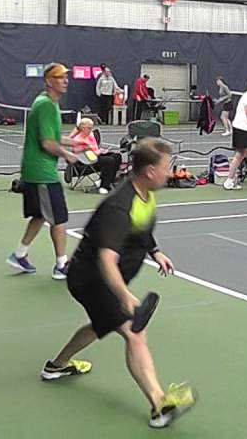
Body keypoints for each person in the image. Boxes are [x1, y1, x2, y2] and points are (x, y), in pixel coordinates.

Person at [40, 138, 198, 429]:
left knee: (100, 325)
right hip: (92, 280)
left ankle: (56, 366)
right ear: (150, 171)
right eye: (166, 167)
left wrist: (155, 251)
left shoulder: (144, 195)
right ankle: (159, 404)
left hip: (104, 280)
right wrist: (124, 295)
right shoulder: (119, 206)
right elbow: (106, 260)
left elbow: (141, 227)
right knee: (134, 334)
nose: (169, 172)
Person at [8, 63, 79, 279]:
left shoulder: (46, 102)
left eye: (66, 77)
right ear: (49, 81)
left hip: (35, 171)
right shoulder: (46, 105)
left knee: (40, 215)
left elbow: (53, 137)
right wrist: (67, 155)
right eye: (60, 77)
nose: (65, 80)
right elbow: (47, 143)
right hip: (42, 174)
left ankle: (19, 254)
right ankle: (61, 265)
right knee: (58, 219)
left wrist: (74, 143)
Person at [68, 118, 120, 195]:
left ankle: (105, 180)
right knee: (109, 160)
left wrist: (101, 151)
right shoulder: (77, 140)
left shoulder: (91, 135)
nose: (90, 130)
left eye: (91, 128)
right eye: (89, 128)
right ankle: (104, 187)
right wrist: (98, 152)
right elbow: (85, 154)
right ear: (83, 128)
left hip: (95, 156)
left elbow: (95, 148)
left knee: (117, 156)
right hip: (85, 162)